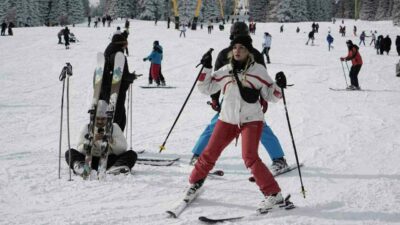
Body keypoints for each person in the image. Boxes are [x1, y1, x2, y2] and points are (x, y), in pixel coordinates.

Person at [185, 34, 288, 212]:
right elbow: (206, 87)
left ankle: (274, 194)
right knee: (209, 153)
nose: (237, 51)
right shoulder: (225, 70)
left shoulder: (258, 71)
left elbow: (271, 96)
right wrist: (206, 68)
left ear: (248, 52)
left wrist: (279, 86)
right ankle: (195, 183)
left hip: (252, 120)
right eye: (235, 48)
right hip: (227, 119)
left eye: (241, 48)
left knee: (250, 157)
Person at [190, 22, 288, 174]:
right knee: (260, 128)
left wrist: (215, 99)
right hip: (238, 99)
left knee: (215, 126)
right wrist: (263, 98)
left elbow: (260, 79)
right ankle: (279, 158)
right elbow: (217, 78)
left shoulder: (236, 53)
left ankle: (197, 155)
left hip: (244, 99)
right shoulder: (249, 52)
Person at [65, 100, 137, 177]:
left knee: (132, 154)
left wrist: (112, 141)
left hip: (109, 160)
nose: (100, 121)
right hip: (90, 161)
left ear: (107, 118)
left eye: (103, 119)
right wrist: (91, 141)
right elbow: (80, 149)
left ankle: (116, 168)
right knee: (69, 152)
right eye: (98, 118)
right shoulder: (87, 127)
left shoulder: (114, 127)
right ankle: (82, 168)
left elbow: (123, 149)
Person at [100, 34, 138, 131]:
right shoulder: (119, 56)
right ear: (123, 44)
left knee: (111, 114)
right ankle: (115, 139)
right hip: (116, 90)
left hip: (104, 89)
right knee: (118, 117)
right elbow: (122, 75)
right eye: (126, 44)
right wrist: (132, 77)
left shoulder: (107, 54)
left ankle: (107, 136)